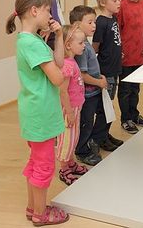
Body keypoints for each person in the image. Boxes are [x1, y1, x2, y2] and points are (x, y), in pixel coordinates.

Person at [5, 0, 69, 225]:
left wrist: (59, 37)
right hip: (40, 113)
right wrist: (66, 74)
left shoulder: (30, 41)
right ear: (34, 11)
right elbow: (57, 77)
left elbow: (59, 61)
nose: (50, 15)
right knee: (44, 166)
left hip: (35, 112)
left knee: (35, 162)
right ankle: (41, 215)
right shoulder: (31, 44)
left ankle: (33, 208)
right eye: (47, 10)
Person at [70, 6, 110, 166]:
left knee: (90, 121)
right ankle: (82, 151)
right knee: (86, 123)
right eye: (90, 22)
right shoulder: (82, 47)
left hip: (93, 91)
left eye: (94, 21)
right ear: (76, 25)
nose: (94, 25)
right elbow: (82, 75)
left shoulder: (86, 43)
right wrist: (99, 82)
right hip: (87, 94)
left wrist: (99, 76)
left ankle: (88, 144)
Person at [117, 0, 143, 134]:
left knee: (136, 88)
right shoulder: (121, 6)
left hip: (139, 55)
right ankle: (126, 119)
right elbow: (117, 31)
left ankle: (135, 115)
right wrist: (119, 52)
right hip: (125, 56)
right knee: (125, 89)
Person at [92, 0, 124, 148]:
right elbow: (95, 47)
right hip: (106, 71)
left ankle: (104, 134)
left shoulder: (113, 19)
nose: (119, 3)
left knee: (109, 105)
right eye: (115, 0)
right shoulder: (101, 22)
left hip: (115, 68)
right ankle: (98, 138)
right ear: (103, 2)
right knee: (105, 106)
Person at [56, 24, 89, 186]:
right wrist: (69, 112)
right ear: (68, 45)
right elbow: (63, 91)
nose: (84, 45)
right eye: (81, 43)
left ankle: (70, 163)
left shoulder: (72, 62)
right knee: (67, 139)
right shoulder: (68, 65)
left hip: (76, 107)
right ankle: (63, 168)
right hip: (69, 109)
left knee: (74, 137)